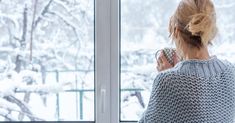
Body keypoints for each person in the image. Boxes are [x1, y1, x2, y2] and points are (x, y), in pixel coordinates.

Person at [138, 0, 235, 122]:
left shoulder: (167, 81)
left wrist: (170, 75)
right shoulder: (231, 72)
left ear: (176, 31)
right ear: (210, 30)